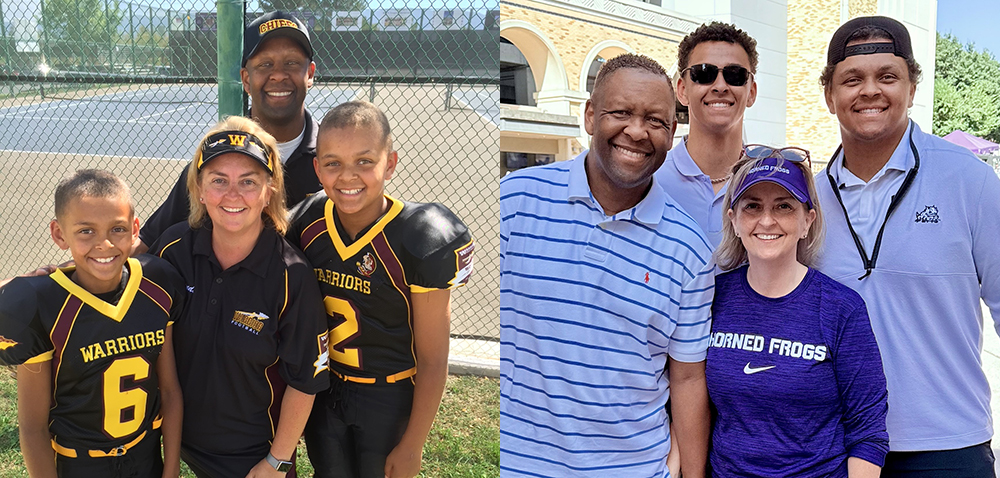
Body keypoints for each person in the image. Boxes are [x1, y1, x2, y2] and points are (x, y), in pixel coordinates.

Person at [498, 53, 714, 478]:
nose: (637, 131)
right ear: (590, 115)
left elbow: (687, 379)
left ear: (672, 134)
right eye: (621, 112)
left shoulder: (690, 247)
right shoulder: (515, 200)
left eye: (656, 120)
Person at [816, 15, 1000, 477]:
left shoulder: (970, 181)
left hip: (947, 447)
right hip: (836, 445)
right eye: (852, 79)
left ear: (912, 89)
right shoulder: (806, 200)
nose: (870, 91)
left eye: (888, 77)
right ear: (829, 96)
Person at [287, 101, 474, 478]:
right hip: (326, 390)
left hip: (388, 397)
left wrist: (413, 444)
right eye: (333, 162)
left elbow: (434, 357)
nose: (348, 176)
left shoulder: (419, 236)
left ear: (389, 163)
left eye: (364, 161)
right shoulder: (308, 221)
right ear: (317, 168)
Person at [150, 117, 330, 477]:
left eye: (248, 181)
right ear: (199, 189)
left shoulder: (291, 274)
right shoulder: (173, 250)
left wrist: (276, 462)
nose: (233, 195)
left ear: (269, 191)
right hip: (180, 436)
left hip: (251, 456)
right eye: (219, 180)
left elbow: (305, 380)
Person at [708, 148, 888, 477]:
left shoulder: (841, 308)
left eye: (784, 206)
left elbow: (868, 433)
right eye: (752, 206)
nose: (766, 220)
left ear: (808, 220)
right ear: (733, 219)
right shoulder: (711, 299)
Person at [0, 169, 184, 477]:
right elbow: (33, 428)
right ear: (60, 234)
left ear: (135, 228)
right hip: (78, 464)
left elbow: (169, 390)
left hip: (145, 456)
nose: (105, 244)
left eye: (117, 229)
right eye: (86, 231)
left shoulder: (157, 284)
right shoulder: (39, 304)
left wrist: (172, 467)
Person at [136, 11, 321, 254]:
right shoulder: (213, 162)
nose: (278, 74)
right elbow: (146, 244)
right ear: (246, 79)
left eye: (292, 63)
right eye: (265, 64)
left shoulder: (334, 162)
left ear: (309, 74)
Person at [654, 21, 758, 247]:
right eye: (704, 73)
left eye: (735, 75)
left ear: (751, 92)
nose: (720, 86)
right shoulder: (650, 180)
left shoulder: (771, 180)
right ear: (682, 90)